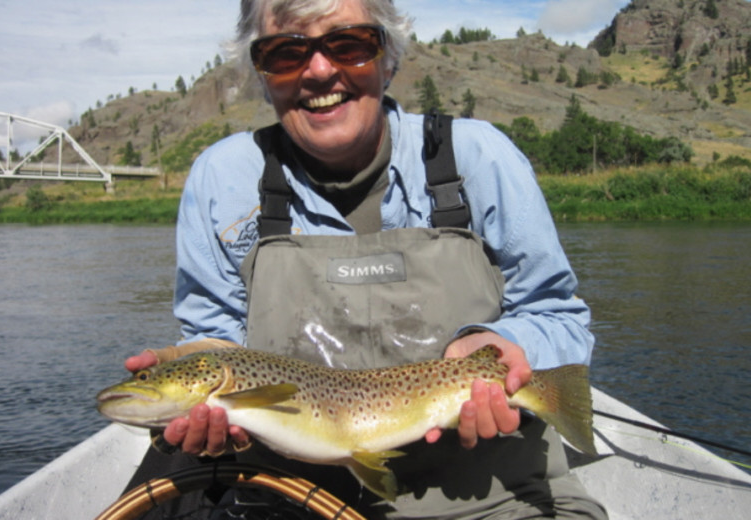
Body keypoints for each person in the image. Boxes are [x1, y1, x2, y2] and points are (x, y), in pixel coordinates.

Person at [125, 0, 607, 518]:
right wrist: (210, 423)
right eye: (286, 52)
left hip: (497, 499)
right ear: (260, 74)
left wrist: (506, 347)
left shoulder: (479, 159)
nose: (319, 71)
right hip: (289, 501)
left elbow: (559, 316)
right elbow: (217, 341)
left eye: (348, 44)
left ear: (388, 57)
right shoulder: (222, 180)